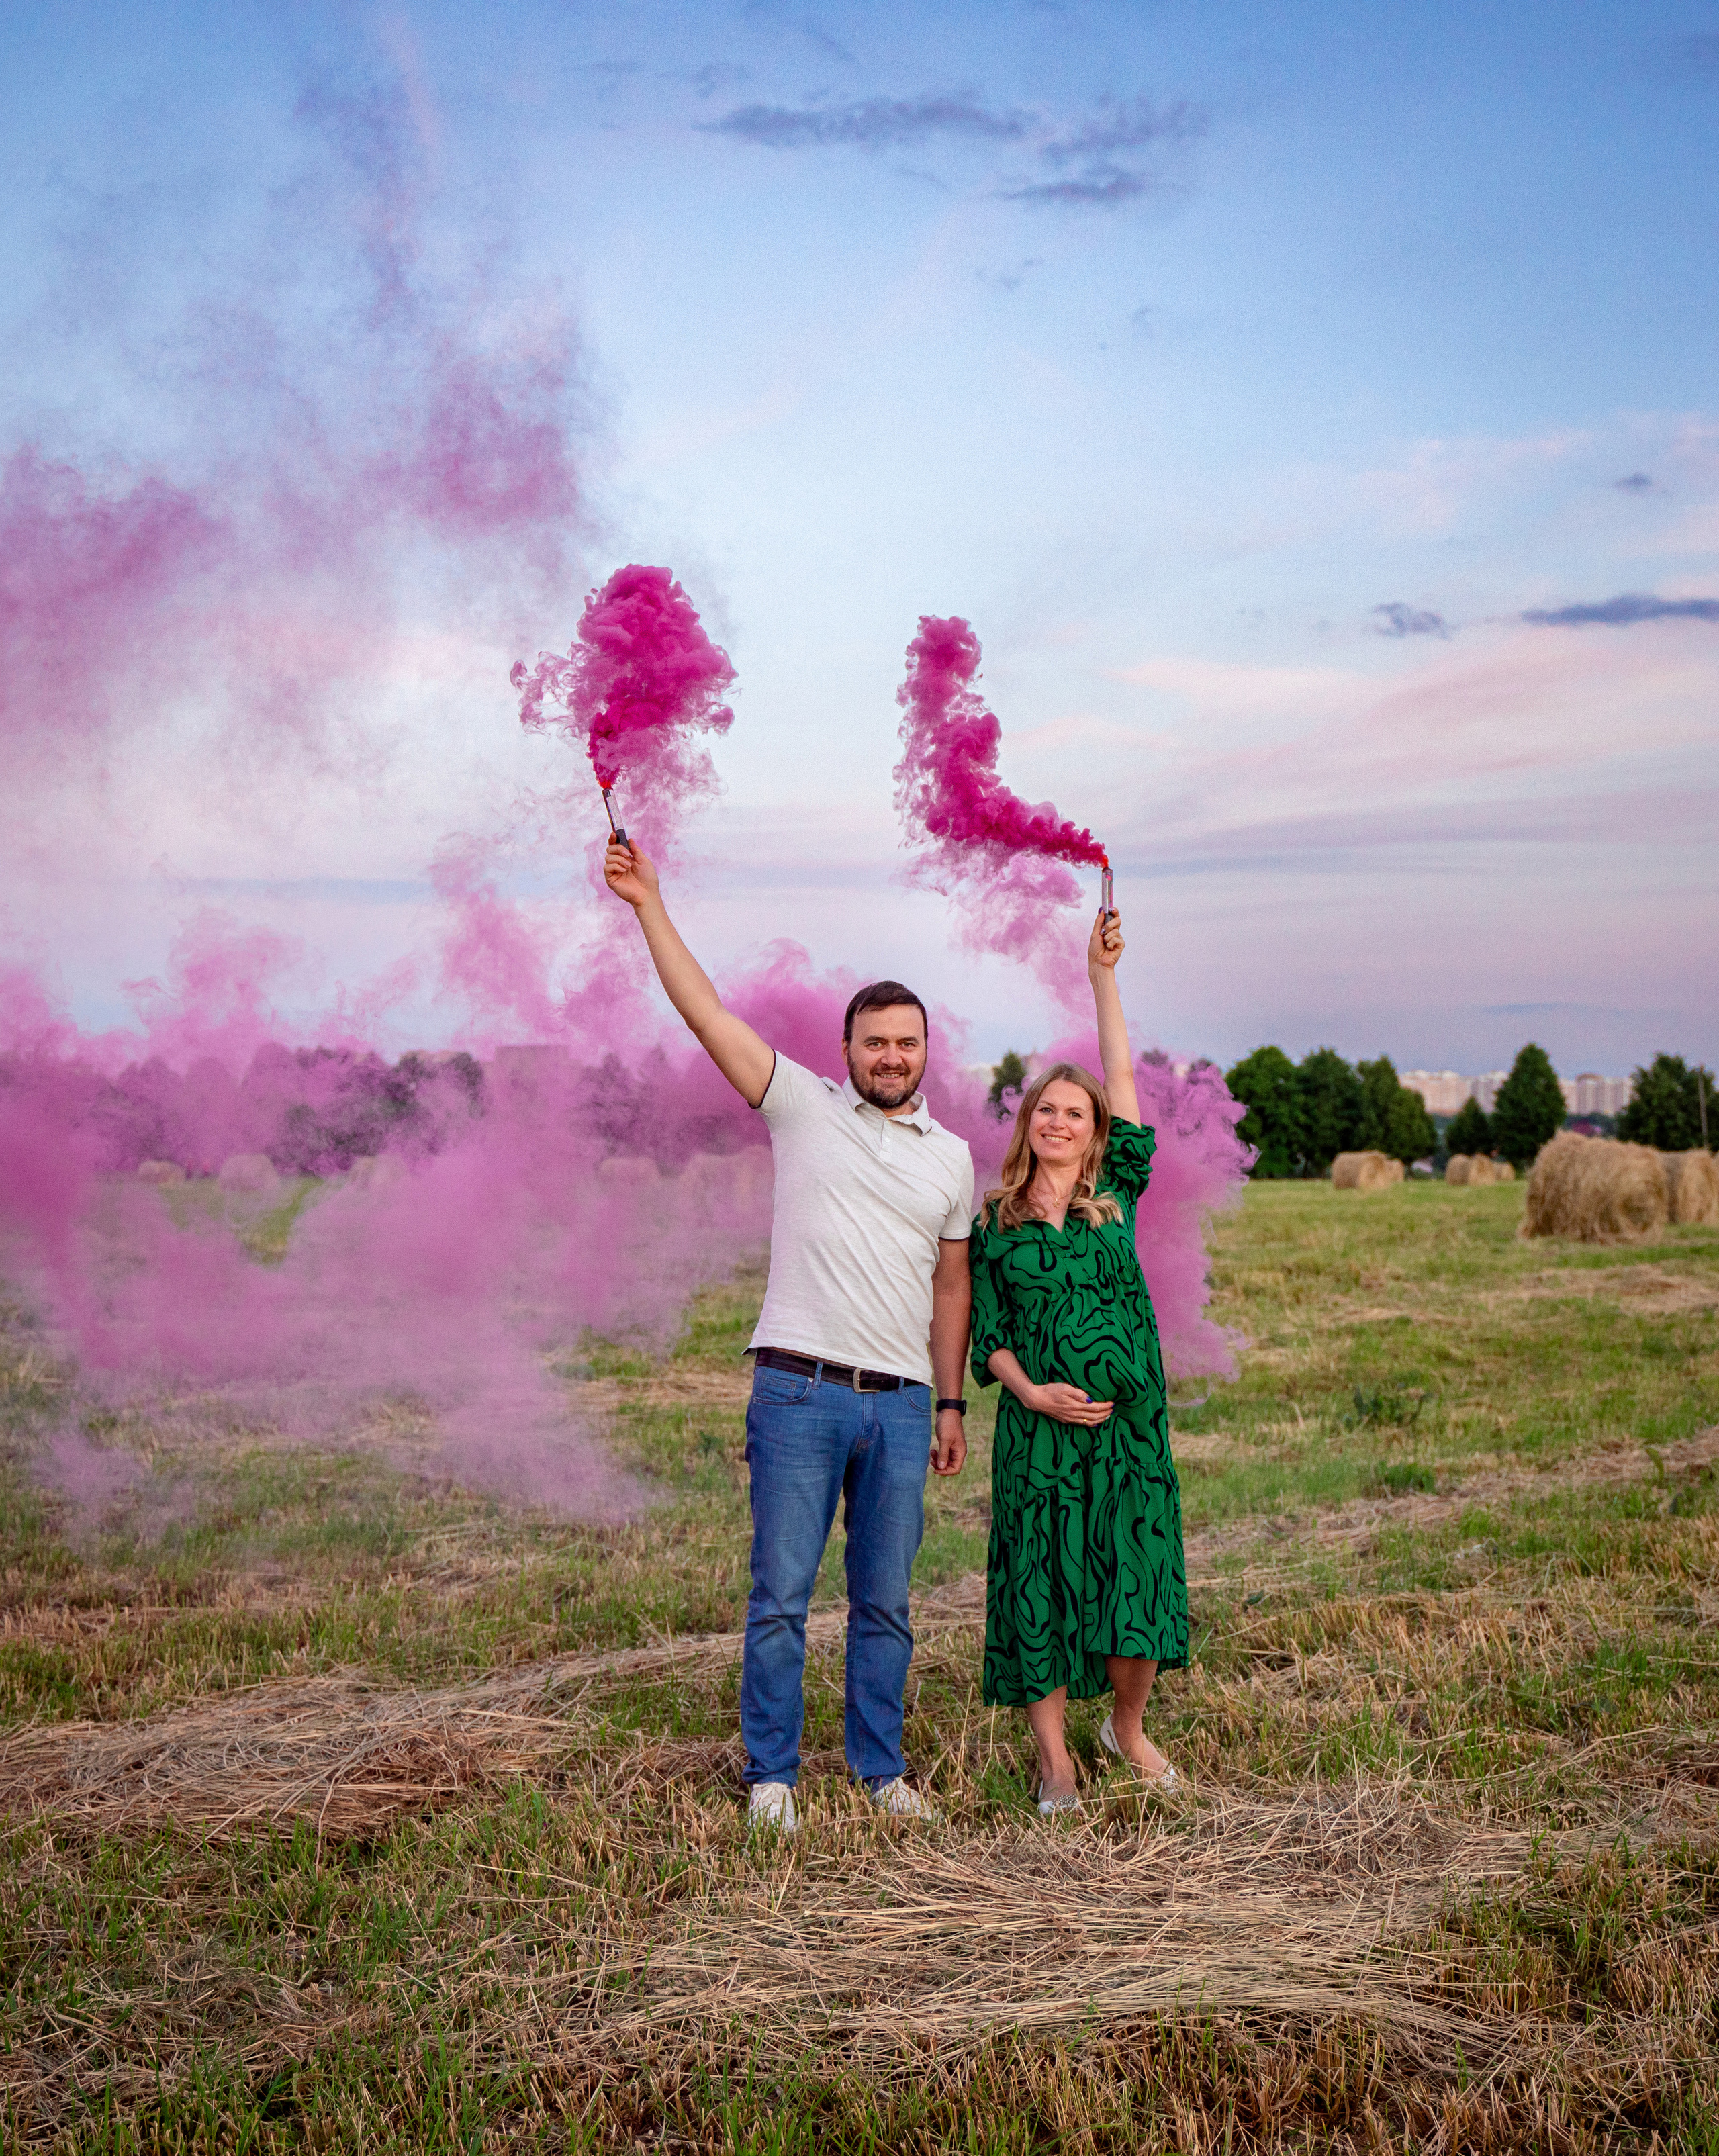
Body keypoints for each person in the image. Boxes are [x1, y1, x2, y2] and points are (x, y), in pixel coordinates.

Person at [604, 836, 974, 1835]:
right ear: (846, 1050)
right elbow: (705, 1012)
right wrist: (647, 904)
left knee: (886, 1603)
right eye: (874, 1042)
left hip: (902, 1405)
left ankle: (880, 1771)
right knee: (780, 1597)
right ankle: (772, 1775)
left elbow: (951, 1286)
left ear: (926, 1051)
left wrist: (948, 1402)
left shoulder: (952, 1158)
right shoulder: (800, 1105)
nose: (890, 1056)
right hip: (799, 1391)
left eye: (906, 1043)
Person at [968, 904, 1185, 1812]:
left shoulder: (1118, 1195)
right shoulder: (994, 1221)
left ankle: (1125, 1729)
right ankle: (1055, 1759)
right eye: (1046, 1110)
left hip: (1128, 1431)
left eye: (1076, 1113)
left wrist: (1102, 976)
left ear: (1096, 1133)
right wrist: (1032, 1395)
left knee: (1137, 1577)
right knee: (1042, 1585)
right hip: (1041, 1434)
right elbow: (989, 1337)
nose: (1059, 1121)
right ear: (1028, 1125)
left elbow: (1122, 1073)